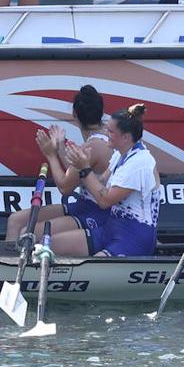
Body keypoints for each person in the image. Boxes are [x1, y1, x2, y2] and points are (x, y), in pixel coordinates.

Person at [4, 84, 115, 241]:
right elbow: (75, 173)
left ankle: (18, 263)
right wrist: (61, 146)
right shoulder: (105, 136)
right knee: (15, 220)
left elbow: (65, 187)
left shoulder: (92, 147)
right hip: (84, 205)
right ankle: (9, 263)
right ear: (102, 112)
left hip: (99, 213)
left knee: (26, 233)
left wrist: (50, 155)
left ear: (75, 116)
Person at [50, 103, 161, 257]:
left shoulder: (140, 163)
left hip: (134, 236)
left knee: (88, 268)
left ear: (125, 137)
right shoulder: (120, 153)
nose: (105, 133)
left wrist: (84, 168)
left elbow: (105, 201)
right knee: (49, 244)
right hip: (111, 228)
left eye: (110, 131)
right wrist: (76, 162)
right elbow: (100, 183)